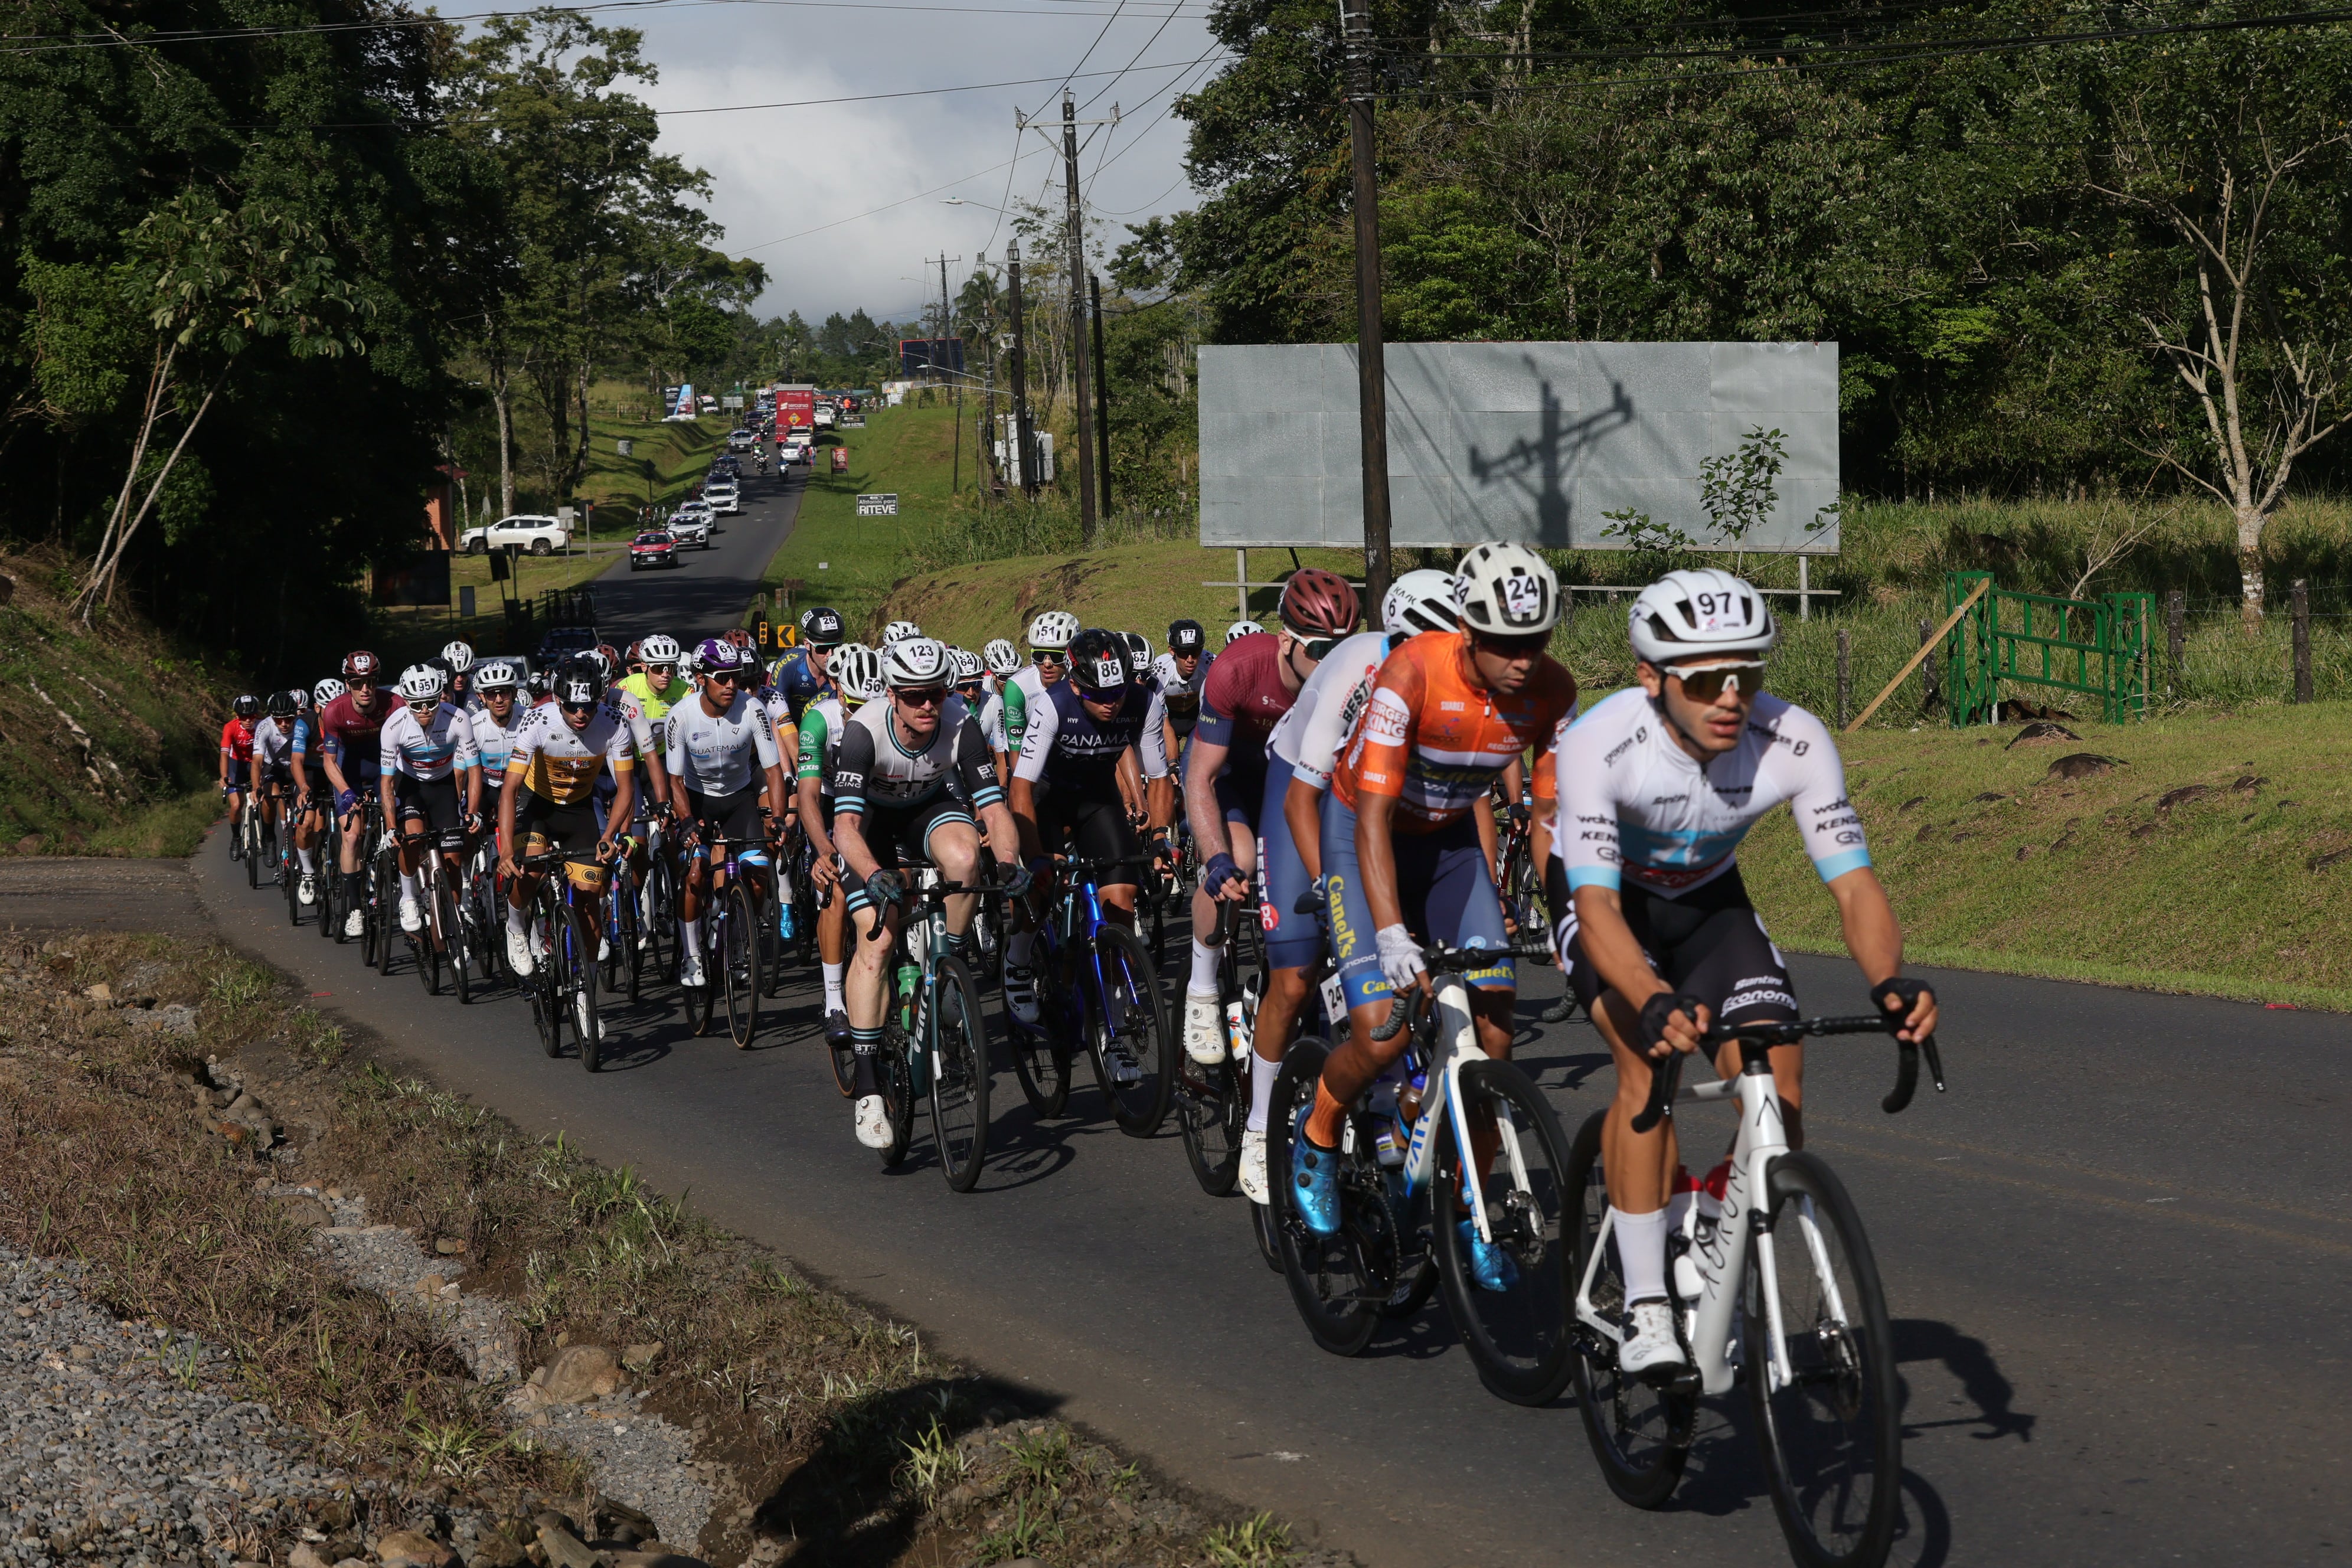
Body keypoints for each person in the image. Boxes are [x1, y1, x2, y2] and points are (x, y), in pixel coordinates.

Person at [1548, 568, 1938, 1377]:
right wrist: (1652, 998)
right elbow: (1597, 907)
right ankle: (1647, 1303)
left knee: (1778, 1086)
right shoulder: (1598, 743)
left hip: (1708, 902)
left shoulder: (1794, 737)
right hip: (1608, 904)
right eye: (1704, 681)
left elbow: (1854, 884)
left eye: (1748, 675)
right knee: (1646, 1063)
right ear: (1651, 678)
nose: (1731, 698)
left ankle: (1715, 1236)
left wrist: (1889, 982)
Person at [1294, 544, 1580, 1298]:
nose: (1524, 659)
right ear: (1467, 629)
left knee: (1493, 1036)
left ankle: (1465, 1210)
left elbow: (1550, 817)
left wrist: (1567, 915)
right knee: (1382, 1031)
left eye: (1537, 640)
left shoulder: (1554, 691)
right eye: (1506, 643)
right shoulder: (1412, 672)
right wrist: (1391, 932)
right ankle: (1318, 1133)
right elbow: (1372, 817)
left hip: (1450, 845)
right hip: (1363, 833)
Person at [1230, 568, 1459, 1200]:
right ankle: (1260, 1126)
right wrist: (1334, 894)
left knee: (1419, 953)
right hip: (1302, 785)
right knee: (1296, 975)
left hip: (1373, 796)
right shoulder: (1356, 665)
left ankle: (1384, 1092)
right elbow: (1303, 800)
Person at [829, 637, 1024, 1149]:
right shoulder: (863, 732)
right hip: (869, 822)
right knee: (878, 939)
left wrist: (1009, 863)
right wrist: (873, 872)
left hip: (925, 808)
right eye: (914, 695)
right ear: (892, 695)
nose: (927, 705)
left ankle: (949, 970)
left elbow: (994, 808)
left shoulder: (961, 722)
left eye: (936, 693)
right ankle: (868, 1088)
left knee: (965, 858)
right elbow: (845, 827)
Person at [1180, 570, 1361, 1064]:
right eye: (1320, 650)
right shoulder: (1237, 670)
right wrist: (1215, 858)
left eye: (1343, 648)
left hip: (1300, 784)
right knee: (1238, 862)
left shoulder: (1355, 678)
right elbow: (1201, 778)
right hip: (1232, 774)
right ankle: (1202, 989)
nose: (1333, 662)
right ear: (1286, 641)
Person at [1007, 627, 1173, 1081]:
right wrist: (1037, 857)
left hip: (1098, 802)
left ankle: (1112, 1036)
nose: (1111, 704)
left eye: (1117, 693)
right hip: (1045, 799)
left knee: (1120, 908)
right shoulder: (1052, 705)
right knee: (1043, 886)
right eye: (1099, 695)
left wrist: (1161, 837)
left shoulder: (1143, 702)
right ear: (1076, 685)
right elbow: (1020, 788)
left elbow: (1159, 777)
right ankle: (1017, 960)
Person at [498, 655, 638, 976]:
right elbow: (510, 789)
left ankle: (585, 988)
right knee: (530, 871)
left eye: (588, 706)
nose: (581, 714)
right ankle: (516, 927)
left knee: (590, 902)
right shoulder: (537, 721)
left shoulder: (614, 723)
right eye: (573, 706)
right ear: (558, 699)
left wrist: (610, 835)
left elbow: (626, 789)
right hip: (537, 805)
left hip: (579, 808)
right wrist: (506, 849)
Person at [668, 639, 792, 992]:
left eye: (735, 676)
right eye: (722, 678)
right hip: (698, 800)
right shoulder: (682, 715)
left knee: (759, 875)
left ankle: (738, 938)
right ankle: (692, 955)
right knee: (696, 872)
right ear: (701, 678)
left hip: (739, 799)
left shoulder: (753, 709)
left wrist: (778, 817)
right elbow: (675, 780)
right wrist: (686, 820)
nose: (731, 684)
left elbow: (773, 770)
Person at [798, 643, 882, 1051]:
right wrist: (823, 849)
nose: (864, 714)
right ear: (840, 693)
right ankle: (834, 1001)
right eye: (856, 706)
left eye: (872, 705)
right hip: (832, 803)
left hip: (876, 803)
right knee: (835, 889)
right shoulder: (820, 719)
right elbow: (808, 795)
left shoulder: (890, 715)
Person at [378, 664, 482, 935]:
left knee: (454, 860)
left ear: (440, 697)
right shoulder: (394, 726)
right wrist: (391, 826)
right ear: (406, 702)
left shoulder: (458, 719)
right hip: (411, 785)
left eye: (431, 703)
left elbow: (474, 770)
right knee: (413, 840)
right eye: (417, 704)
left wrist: (473, 812)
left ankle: (454, 922)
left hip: (444, 786)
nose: (424, 710)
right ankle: (408, 897)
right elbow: (387, 782)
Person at [317, 652, 391, 937]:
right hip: (349, 772)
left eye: (371, 682)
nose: (365, 689)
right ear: (348, 684)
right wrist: (346, 792)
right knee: (351, 836)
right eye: (358, 683)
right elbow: (329, 761)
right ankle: (354, 910)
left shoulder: (394, 704)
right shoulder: (334, 711)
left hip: (383, 768)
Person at [249, 691, 309, 893]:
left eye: (289, 719)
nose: (284, 724)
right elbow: (257, 761)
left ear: (295, 715)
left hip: (296, 768)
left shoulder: (302, 725)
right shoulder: (264, 727)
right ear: (272, 717)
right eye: (279, 720)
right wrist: (256, 786)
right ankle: (269, 835)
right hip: (273, 767)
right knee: (270, 794)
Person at [220, 694, 261, 852]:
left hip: (256, 763)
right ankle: (236, 838)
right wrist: (224, 775)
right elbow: (224, 753)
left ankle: (266, 838)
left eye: (252, 716)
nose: (248, 720)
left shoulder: (262, 726)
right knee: (237, 805)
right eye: (244, 717)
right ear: (237, 716)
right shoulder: (230, 727)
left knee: (265, 802)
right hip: (236, 765)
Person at [442, 642, 477, 711]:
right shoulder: (439, 687)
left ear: (470, 671)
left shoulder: (477, 685)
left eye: (464, 673)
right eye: (454, 674)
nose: (459, 679)